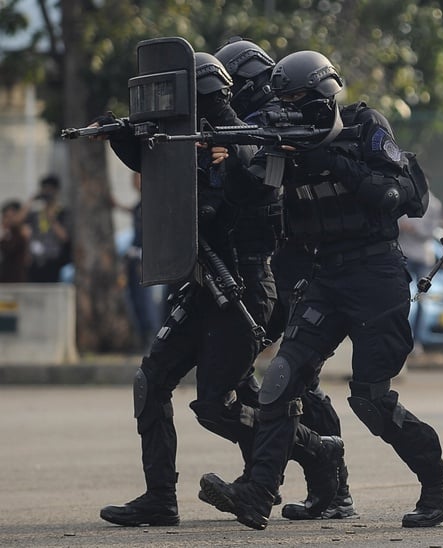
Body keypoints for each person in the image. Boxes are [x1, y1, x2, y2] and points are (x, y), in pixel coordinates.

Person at [199, 50, 443, 531]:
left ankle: (437, 481)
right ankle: (258, 493)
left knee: (370, 398)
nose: (288, 110)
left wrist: (330, 160)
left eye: (297, 100)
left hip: (375, 273)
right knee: (280, 380)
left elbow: (396, 195)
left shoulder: (363, 128)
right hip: (324, 275)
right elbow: (248, 197)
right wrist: (235, 158)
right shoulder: (279, 141)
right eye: (283, 102)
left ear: (323, 95)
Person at [98, 52, 343, 528]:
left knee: (216, 405)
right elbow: (168, 183)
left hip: (243, 287)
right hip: (202, 283)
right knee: (150, 383)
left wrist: (230, 163)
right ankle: (159, 498)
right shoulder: (191, 138)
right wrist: (127, 141)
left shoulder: (251, 137)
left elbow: (251, 196)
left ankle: (315, 452)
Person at [214, 36, 357, 521]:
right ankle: (264, 479)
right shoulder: (261, 125)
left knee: (299, 380)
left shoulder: (305, 121)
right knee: (269, 381)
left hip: (304, 265)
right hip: (278, 262)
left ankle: (333, 489)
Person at [121, 173, 162, 352]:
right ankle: (143, 336)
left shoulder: (152, 201)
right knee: (135, 300)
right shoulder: (140, 203)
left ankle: (152, 338)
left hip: (144, 257)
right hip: (134, 255)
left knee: (146, 301)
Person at [398, 189, 442, 355]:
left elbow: (431, 232)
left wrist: (414, 229)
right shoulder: (402, 197)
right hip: (403, 255)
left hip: (423, 257)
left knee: (422, 301)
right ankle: (399, 339)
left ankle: (418, 341)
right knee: (399, 299)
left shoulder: (435, 204)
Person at [25, 174, 71, 283]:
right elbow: (17, 221)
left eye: (50, 190)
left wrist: (52, 219)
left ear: (57, 191)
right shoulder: (36, 213)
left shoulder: (64, 213)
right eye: (44, 189)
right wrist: (32, 199)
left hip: (56, 263)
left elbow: (65, 237)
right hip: (36, 263)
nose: (47, 193)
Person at [0, 200, 31, 283]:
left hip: (18, 279)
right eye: (6, 216)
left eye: (12, 216)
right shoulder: (4, 234)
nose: (10, 220)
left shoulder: (21, 234)